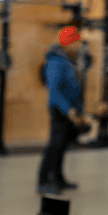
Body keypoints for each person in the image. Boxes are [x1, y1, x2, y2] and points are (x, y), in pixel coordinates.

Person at [37, 26, 88, 195]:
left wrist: (78, 111)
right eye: (76, 41)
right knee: (54, 145)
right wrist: (69, 110)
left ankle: (58, 178)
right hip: (59, 109)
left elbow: (72, 87)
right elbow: (54, 92)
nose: (79, 44)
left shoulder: (68, 60)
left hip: (70, 110)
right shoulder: (54, 62)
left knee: (62, 145)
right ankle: (43, 181)